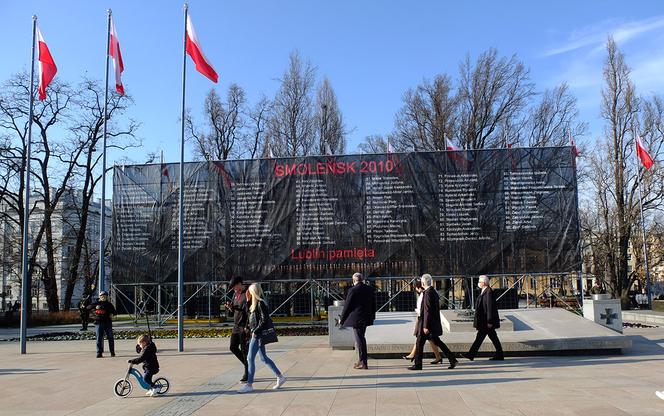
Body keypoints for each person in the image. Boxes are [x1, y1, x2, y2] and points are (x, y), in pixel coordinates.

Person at [238, 283, 286, 394]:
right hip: (255, 333)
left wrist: (255, 331)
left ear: (253, 291)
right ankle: (280, 377)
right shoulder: (253, 304)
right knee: (263, 358)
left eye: (249, 291)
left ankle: (249, 384)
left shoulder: (260, 303)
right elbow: (250, 317)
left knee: (250, 358)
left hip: (257, 335)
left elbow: (264, 320)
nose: (247, 293)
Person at [409, 274, 458, 371]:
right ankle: (452, 359)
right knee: (436, 342)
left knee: (420, 343)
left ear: (423, 283)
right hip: (430, 323)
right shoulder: (433, 292)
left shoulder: (428, 293)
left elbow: (427, 310)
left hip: (426, 324)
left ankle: (418, 365)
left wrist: (425, 326)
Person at [340, 272, 376, 370]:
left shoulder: (352, 290)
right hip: (366, 317)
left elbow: (347, 306)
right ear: (362, 279)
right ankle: (361, 361)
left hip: (357, 318)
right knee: (361, 338)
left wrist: (342, 319)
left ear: (353, 280)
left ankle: (363, 362)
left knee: (360, 340)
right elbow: (374, 304)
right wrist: (373, 316)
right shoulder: (369, 289)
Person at [464, 275, 504, 361]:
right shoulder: (484, 291)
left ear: (484, 283)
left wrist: (489, 321)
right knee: (491, 337)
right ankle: (499, 354)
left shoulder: (488, 292)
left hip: (486, 321)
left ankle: (471, 354)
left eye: (479, 281)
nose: (478, 283)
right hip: (484, 320)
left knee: (480, 338)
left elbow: (489, 307)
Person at [403, 279, 442, 364]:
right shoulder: (427, 293)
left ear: (418, 287)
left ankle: (415, 357)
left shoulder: (424, 295)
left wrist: (425, 325)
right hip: (424, 320)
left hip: (423, 320)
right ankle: (438, 357)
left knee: (422, 339)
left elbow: (425, 310)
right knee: (425, 339)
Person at [225, 276, 249, 383]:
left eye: (234, 286)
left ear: (240, 284)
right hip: (236, 326)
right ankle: (247, 365)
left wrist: (247, 326)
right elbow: (235, 309)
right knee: (233, 347)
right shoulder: (236, 294)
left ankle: (247, 372)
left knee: (244, 350)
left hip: (243, 326)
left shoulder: (247, 293)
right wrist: (231, 308)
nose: (233, 289)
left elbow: (249, 311)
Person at [89, 290, 116, 358]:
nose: (103, 297)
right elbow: (88, 307)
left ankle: (112, 352)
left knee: (110, 338)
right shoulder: (96, 303)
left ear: (107, 297)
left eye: (105, 296)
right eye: (102, 296)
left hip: (108, 323)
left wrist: (112, 314)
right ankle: (99, 353)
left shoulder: (109, 304)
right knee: (99, 338)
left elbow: (115, 312)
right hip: (99, 323)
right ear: (100, 297)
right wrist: (95, 307)